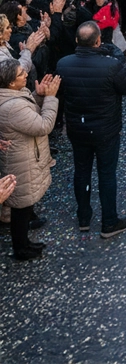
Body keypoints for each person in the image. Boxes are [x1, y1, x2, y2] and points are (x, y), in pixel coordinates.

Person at [56, 20, 126, 236]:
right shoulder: (110, 65)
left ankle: (84, 217)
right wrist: (118, 59)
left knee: (81, 171)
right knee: (107, 173)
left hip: (77, 128)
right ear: (98, 41)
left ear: (77, 40)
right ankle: (109, 221)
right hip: (106, 130)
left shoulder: (63, 64)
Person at [0, 60, 59, 260]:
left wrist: (39, 95)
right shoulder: (12, 107)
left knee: (24, 206)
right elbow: (43, 126)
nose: (26, 74)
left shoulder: (12, 98)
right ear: (10, 83)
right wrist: (50, 98)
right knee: (21, 207)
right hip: (22, 162)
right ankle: (21, 248)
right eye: (20, 74)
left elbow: (28, 113)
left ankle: (24, 243)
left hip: (23, 159)